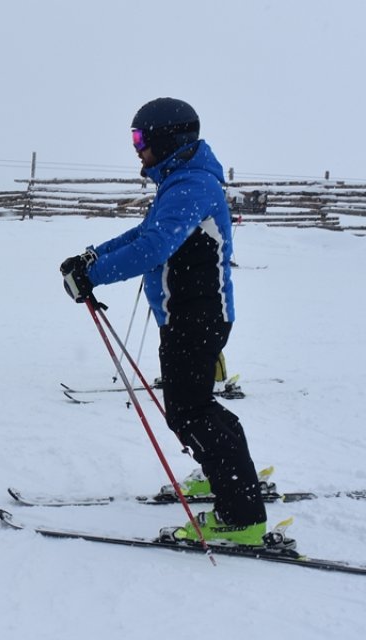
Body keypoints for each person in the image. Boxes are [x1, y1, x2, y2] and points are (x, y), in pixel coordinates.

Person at [59, 98, 271, 547]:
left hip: (197, 317)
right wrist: (92, 256)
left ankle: (241, 515)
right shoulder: (182, 182)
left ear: (166, 139)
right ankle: (222, 476)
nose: (136, 149)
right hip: (187, 316)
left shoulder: (191, 185)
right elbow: (143, 233)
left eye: (140, 140)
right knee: (192, 407)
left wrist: (92, 275)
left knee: (192, 410)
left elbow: (154, 247)